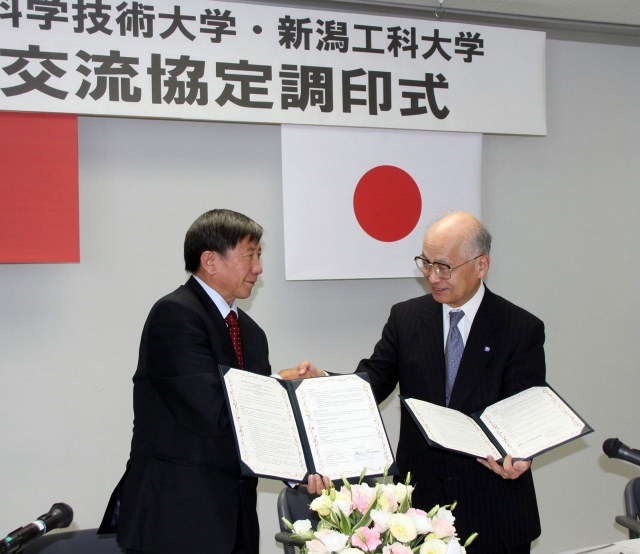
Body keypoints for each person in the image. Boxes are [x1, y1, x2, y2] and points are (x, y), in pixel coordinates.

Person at [286, 212, 546, 554]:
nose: (432, 276)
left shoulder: (519, 328)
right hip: (419, 512)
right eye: (426, 263)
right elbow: (371, 384)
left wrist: (520, 457)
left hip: (493, 509)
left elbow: (523, 417)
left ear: (481, 265)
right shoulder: (406, 318)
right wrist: (321, 382)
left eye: (444, 267)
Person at [98, 209, 321, 554]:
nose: (258, 268)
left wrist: (300, 473)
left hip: (236, 520)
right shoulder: (175, 315)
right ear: (210, 261)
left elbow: (258, 427)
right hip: (176, 519)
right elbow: (212, 409)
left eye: (259, 255)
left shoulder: (251, 333)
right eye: (249, 255)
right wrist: (280, 383)